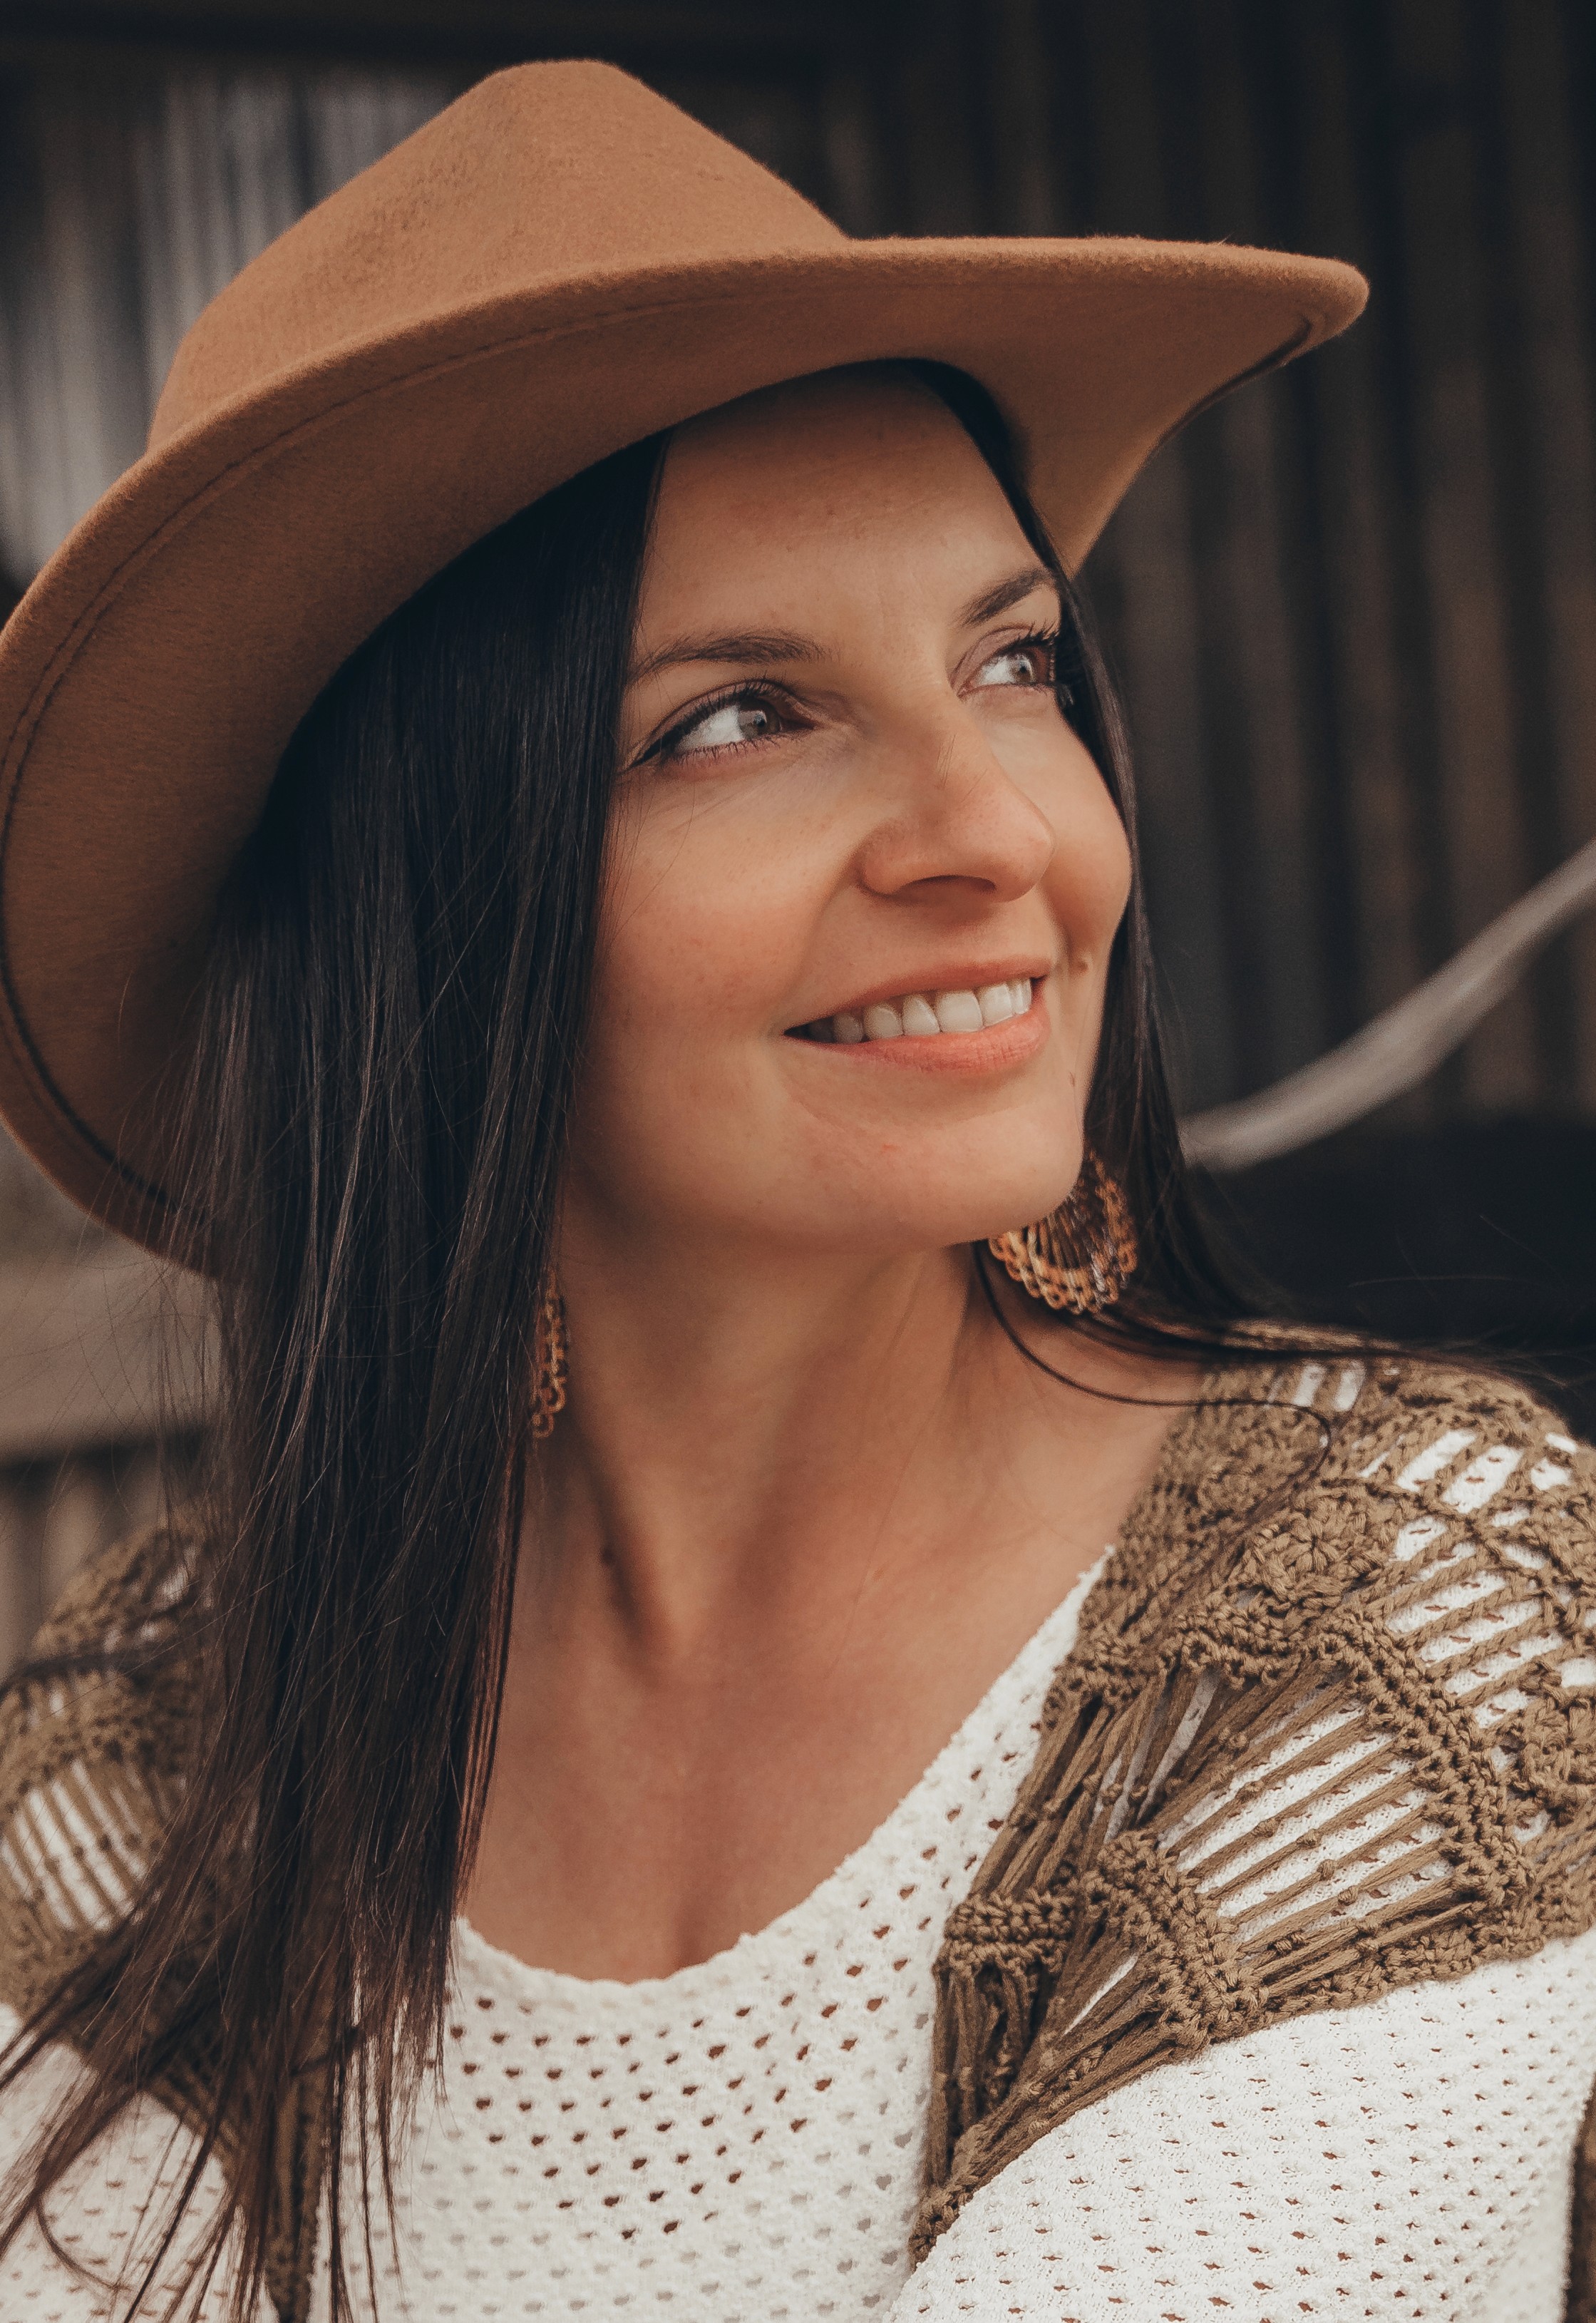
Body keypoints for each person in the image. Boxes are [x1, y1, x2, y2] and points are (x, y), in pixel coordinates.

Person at [0, 60, 1589, 2323]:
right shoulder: (155, 1764)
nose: (999, 832)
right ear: (417, 923)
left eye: (1014, 662)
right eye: (743, 715)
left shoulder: (1391, 1622)